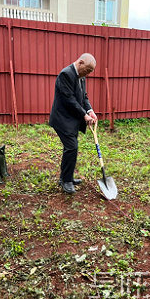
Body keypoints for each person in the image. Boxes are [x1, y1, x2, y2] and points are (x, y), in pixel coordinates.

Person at [49, 53, 98, 194]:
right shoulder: (66, 74)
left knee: (70, 148)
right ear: (80, 63)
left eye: (90, 72)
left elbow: (84, 96)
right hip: (62, 119)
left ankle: (65, 177)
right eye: (88, 70)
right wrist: (84, 115)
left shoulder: (80, 77)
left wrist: (90, 110)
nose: (88, 74)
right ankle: (66, 181)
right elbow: (69, 100)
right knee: (72, 147)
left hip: (71, 120)